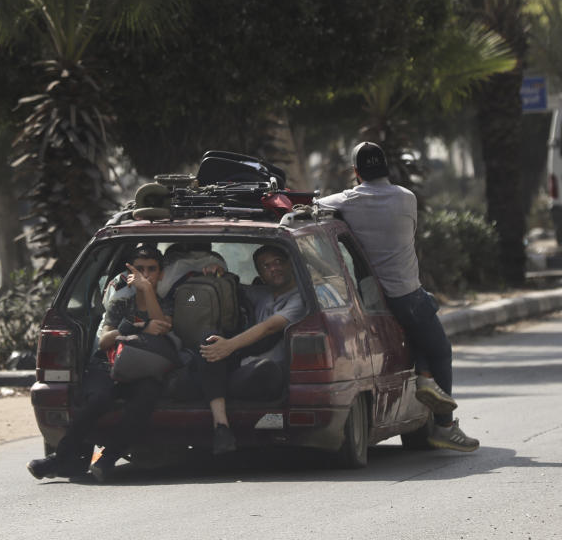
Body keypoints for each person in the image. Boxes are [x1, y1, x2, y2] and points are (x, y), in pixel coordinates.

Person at [316, 141, 479, 452]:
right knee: (441, 348)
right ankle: (444, 424)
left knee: (427, 307)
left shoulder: (348, 201)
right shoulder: (407, 198)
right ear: (387, 169)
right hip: (408, 295)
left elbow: (314, 205)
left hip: (372, 299)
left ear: (355, 172)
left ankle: (426, 377)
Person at [27, 245, 174, 483]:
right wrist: (140, 328)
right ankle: (59, 458)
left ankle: (109, 457)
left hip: (145, 368)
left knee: (145, 399)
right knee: (97, 399)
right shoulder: (120, 301)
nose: (145, 274)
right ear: (130, 273)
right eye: (140, 269)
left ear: (161, 274)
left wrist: (147, 291)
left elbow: (162, 325)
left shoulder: (167, 302)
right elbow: (105, 339)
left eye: (151, 269)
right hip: (108, 364)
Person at [196, 244, 306, 454]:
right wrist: (218, 272)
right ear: (261, 274)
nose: (273, 268)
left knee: (264, 369)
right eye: (266, 266)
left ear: (290, 264)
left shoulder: (299, 298)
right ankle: (221, 426)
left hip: (266, 373)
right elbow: (231, 288)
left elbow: (269, 327)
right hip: (239, 368)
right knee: (208, 341)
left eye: (278, 262)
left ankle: (210, 386)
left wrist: (229, 346)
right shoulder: (262, 294)